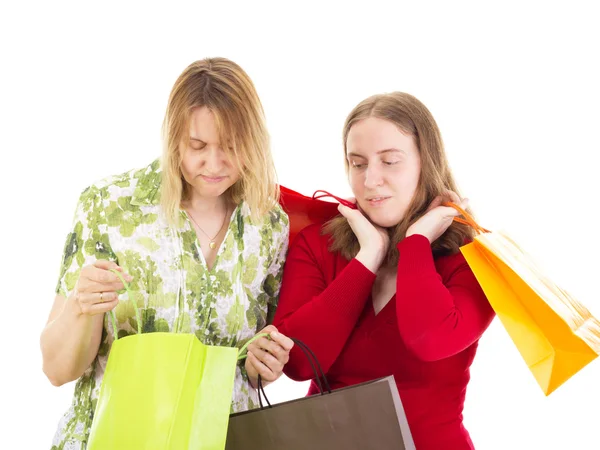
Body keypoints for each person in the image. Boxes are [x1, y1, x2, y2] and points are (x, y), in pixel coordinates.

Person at [41, 57, 293, 449]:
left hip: (226, 439)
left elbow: (253, 369)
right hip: (118, 438)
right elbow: (56, 370)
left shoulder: (270, 223)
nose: (214, 164)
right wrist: (79, 306)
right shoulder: (110, 207)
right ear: (173, 136)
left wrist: (265, 364)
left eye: (231, 146)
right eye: (197, 146)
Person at [273, 92, 495, 449]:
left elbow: (429, 340)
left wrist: (417, 242)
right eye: (358, 163)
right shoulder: (318, 244)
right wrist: (368, 258)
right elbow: (298, 362)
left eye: (390, 161)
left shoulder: (473, 260)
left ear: (428, 163)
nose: (370, 180)